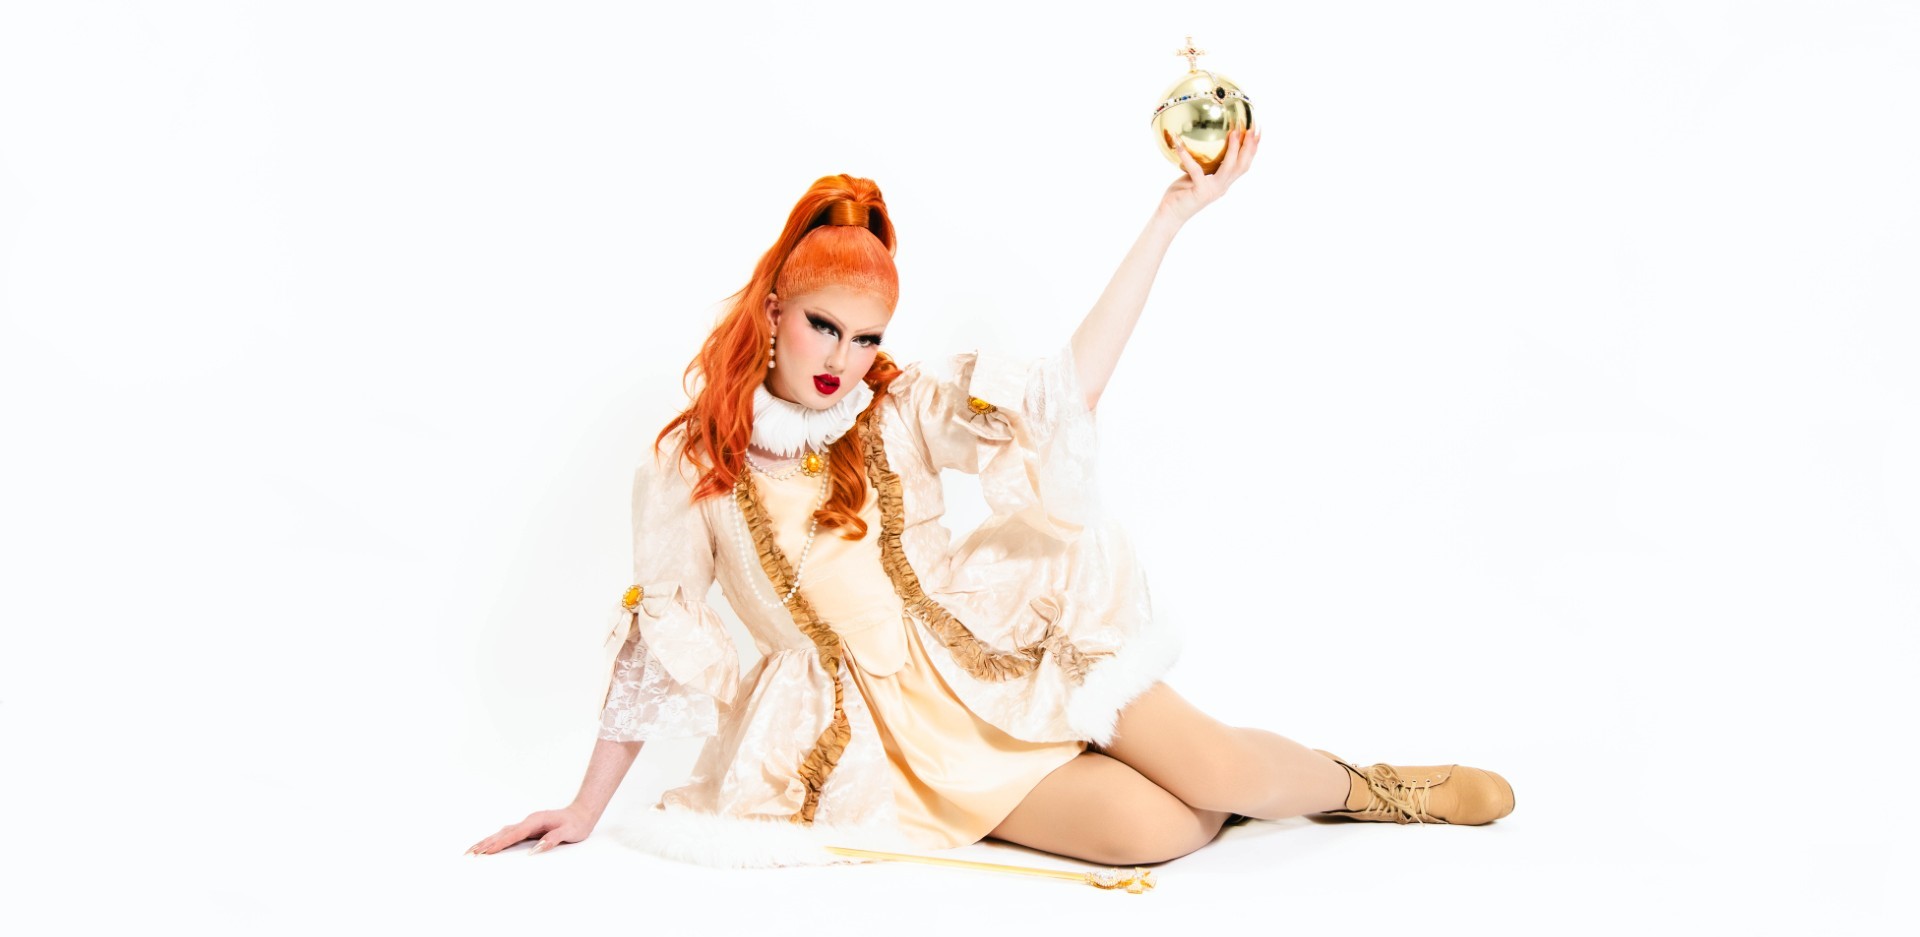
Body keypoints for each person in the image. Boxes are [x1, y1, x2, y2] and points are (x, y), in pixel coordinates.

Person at [468, 126, 1515, 869]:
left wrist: (1169, 218)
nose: (842, 359)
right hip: (897, 747)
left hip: (1002, 650)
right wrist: (585, 806)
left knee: (1219, 769)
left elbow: (1066, 396)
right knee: (1155, 831)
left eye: (866, 336)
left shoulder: (901, 407)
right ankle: (1202, 790)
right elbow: (657, 637)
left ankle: (1369, 787)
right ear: (776, 307)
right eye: (824, 325)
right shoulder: (687, 466)